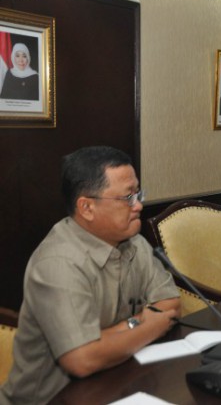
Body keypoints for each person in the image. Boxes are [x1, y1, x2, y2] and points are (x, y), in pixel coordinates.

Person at [0, 146, 180, 404]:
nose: (138, 205)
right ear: (86, 207)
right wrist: (149, 325)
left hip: (116, 383)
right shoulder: (57, 264)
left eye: (138, 194)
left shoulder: (133, 242)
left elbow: (170, 304)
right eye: (127, 197)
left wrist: (127, 328)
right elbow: (82, 360)